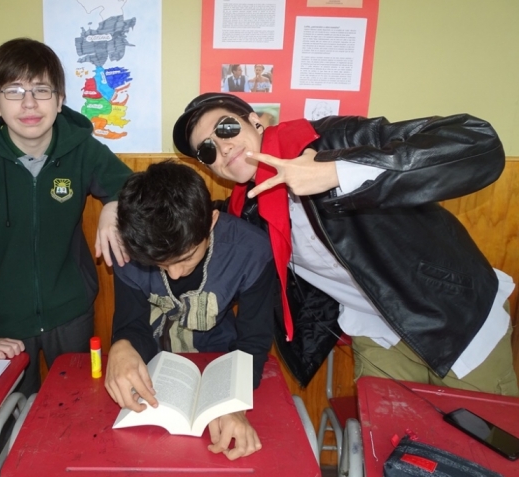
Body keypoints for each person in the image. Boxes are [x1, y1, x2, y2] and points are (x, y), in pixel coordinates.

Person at [171, 92, 518, 396]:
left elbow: (478, 143)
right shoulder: (247, 210)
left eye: (226, 128)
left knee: (478, 443)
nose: (223, 147)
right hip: (377, 332)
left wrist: (337, 171)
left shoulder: (332, 140)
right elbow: (192, 224)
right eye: (207, 150)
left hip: (456, 319)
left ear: (255, 122)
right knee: (389, 441)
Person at [0, 38, 132, 397]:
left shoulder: (81, 148)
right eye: (14, 91)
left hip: (71, 312)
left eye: (41, 90)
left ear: (60, 99)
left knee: (77, 406)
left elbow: (133, 187)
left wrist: (114, 205)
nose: (29, 103)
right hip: (2, 322)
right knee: (12, 417)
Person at [105, 161, 276, 460]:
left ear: (211, 221)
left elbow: (253, 342)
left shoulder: (252, 251)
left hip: (223, 361)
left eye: (185, 257)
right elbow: (132, 324)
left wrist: (233, 403)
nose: (174, 274)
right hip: (155, 369)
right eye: (160, 264)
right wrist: (122, 345)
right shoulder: (132, 247)